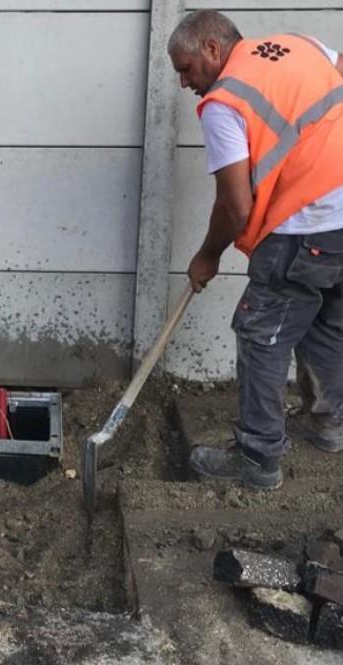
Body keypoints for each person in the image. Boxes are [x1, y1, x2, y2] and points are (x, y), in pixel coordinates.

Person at [167, 10, 343, 489]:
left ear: (212, 49)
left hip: (306, 225)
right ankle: (329, 424)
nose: (184, 83)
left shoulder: (226, 102)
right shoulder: (301, 45)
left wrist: (208, 254)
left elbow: (235, 205)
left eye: (185, 68)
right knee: (325, 319)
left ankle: (257, 457)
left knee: (262, 332)